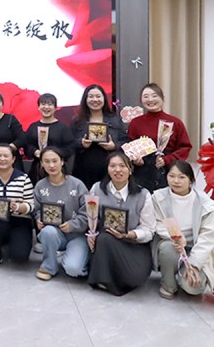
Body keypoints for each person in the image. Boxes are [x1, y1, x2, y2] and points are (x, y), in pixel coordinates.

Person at [87, 152, 155, 296]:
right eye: (113, 166)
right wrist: (91, 234)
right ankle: (103, 279)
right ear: (107, 169)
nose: (117, 170)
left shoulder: (143, 195)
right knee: (105, 238)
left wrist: (129, 234)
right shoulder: (97, 189)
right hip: (106, 242)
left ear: (130, 169)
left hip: (133, 244)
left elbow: (149, 229)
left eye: (122, 166)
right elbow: (91, 217)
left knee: (136, 278)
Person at [152, 161, 214, 299]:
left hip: (196, 246)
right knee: (167, 248)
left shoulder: (206, 204)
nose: (176, 181)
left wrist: (195, 264)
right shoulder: (158, 197)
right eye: (171, 176)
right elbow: (157, 223)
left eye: (181, 177)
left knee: (194, 287)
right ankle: (168, 285)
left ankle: (185, 275)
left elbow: (208, 236)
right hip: (172, 241)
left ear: (191, 180)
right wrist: (176, 237)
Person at [33, 147, 89, 280]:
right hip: (54, 232)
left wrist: (72, 225)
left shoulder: (77, 185)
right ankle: (49, 266)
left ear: (62, 162)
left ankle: (77, 257)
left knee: (73, 269)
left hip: (76, 235)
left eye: (55, 161)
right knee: (48, 232)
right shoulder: (40, 186)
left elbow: (88, 213)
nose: (51, 165)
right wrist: (39, 219)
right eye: (47, 161)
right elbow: (37, 210)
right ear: (42, 164)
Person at [127, 82, 192, 192]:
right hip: (142, 173)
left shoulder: (174, 122)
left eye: (154, 96)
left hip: (168, 171)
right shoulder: (136, 123)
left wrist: (167, 159)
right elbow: (129, 146)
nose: (150, 99)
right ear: (141, 100)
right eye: (146, 96)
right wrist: (135, 159)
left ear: (162, 98)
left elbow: (185, 147)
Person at [0, 144, 34, 269]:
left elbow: (31, 205)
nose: (2, 159)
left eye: (6, 156)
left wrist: (18, 207)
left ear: (13, 159)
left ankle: (12, 242)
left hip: (19, 220)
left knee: (20, 257)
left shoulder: (23, 178)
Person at [71, 84, 127, 189]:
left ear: (104, 99)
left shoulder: (115, 119)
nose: (95, 100)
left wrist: (114, 146)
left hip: (110, 169)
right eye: (91, 96)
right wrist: (81, 143)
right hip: (84, 170)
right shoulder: (77, 121)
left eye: (98, 96)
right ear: (85, 99)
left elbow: (125, 142)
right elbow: (70, 143)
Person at [24, 93, 74, 185]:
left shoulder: (63, 128)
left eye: (50, 104)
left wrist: (55, 154)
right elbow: (26, 145)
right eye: (43, 104)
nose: (46, 107)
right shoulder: (33, 126)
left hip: (57, 169)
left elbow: (70, 147)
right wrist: (34, 151)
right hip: (37, 169)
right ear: (38, 107)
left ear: (55, 108)